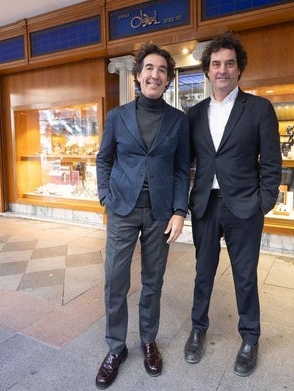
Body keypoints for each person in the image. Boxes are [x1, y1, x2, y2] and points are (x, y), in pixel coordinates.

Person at [184, 33, 282, 377]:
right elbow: (187, 162)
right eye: (216, 64)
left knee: (244, 276)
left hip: (244, 208)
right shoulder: (194, 114)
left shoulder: (259, 109)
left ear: (239, 70)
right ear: (207, 72)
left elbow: (272, 162)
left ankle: (250, 337)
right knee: (202, 272)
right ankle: (198, 329)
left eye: (229, 63)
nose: (222, 70)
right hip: (205, 206)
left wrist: (263, 203)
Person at [95, 44, 190, 389]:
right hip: (122, 207)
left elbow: (183, 169)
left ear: (168, 79)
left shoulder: (179, 121)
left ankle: (148, 341)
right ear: (137, 76)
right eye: (149, 68)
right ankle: (115, 348)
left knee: (153, 281)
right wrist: (105, 196)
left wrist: (180, 211)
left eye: (162, 70)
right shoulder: (117, 117)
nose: (155, 74)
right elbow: (104, 159)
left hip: (160, 212)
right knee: (115, 279)